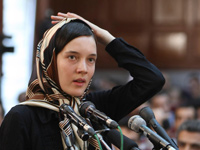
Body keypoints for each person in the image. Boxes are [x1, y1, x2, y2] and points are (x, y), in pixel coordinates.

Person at [0, 12, 165, 150]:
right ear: (49, 61)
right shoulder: (22, 118)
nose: (83, 69)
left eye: (91, 59)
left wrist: (105, 37)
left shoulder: (93, 110)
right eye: (72, 57)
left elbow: (152, 80)